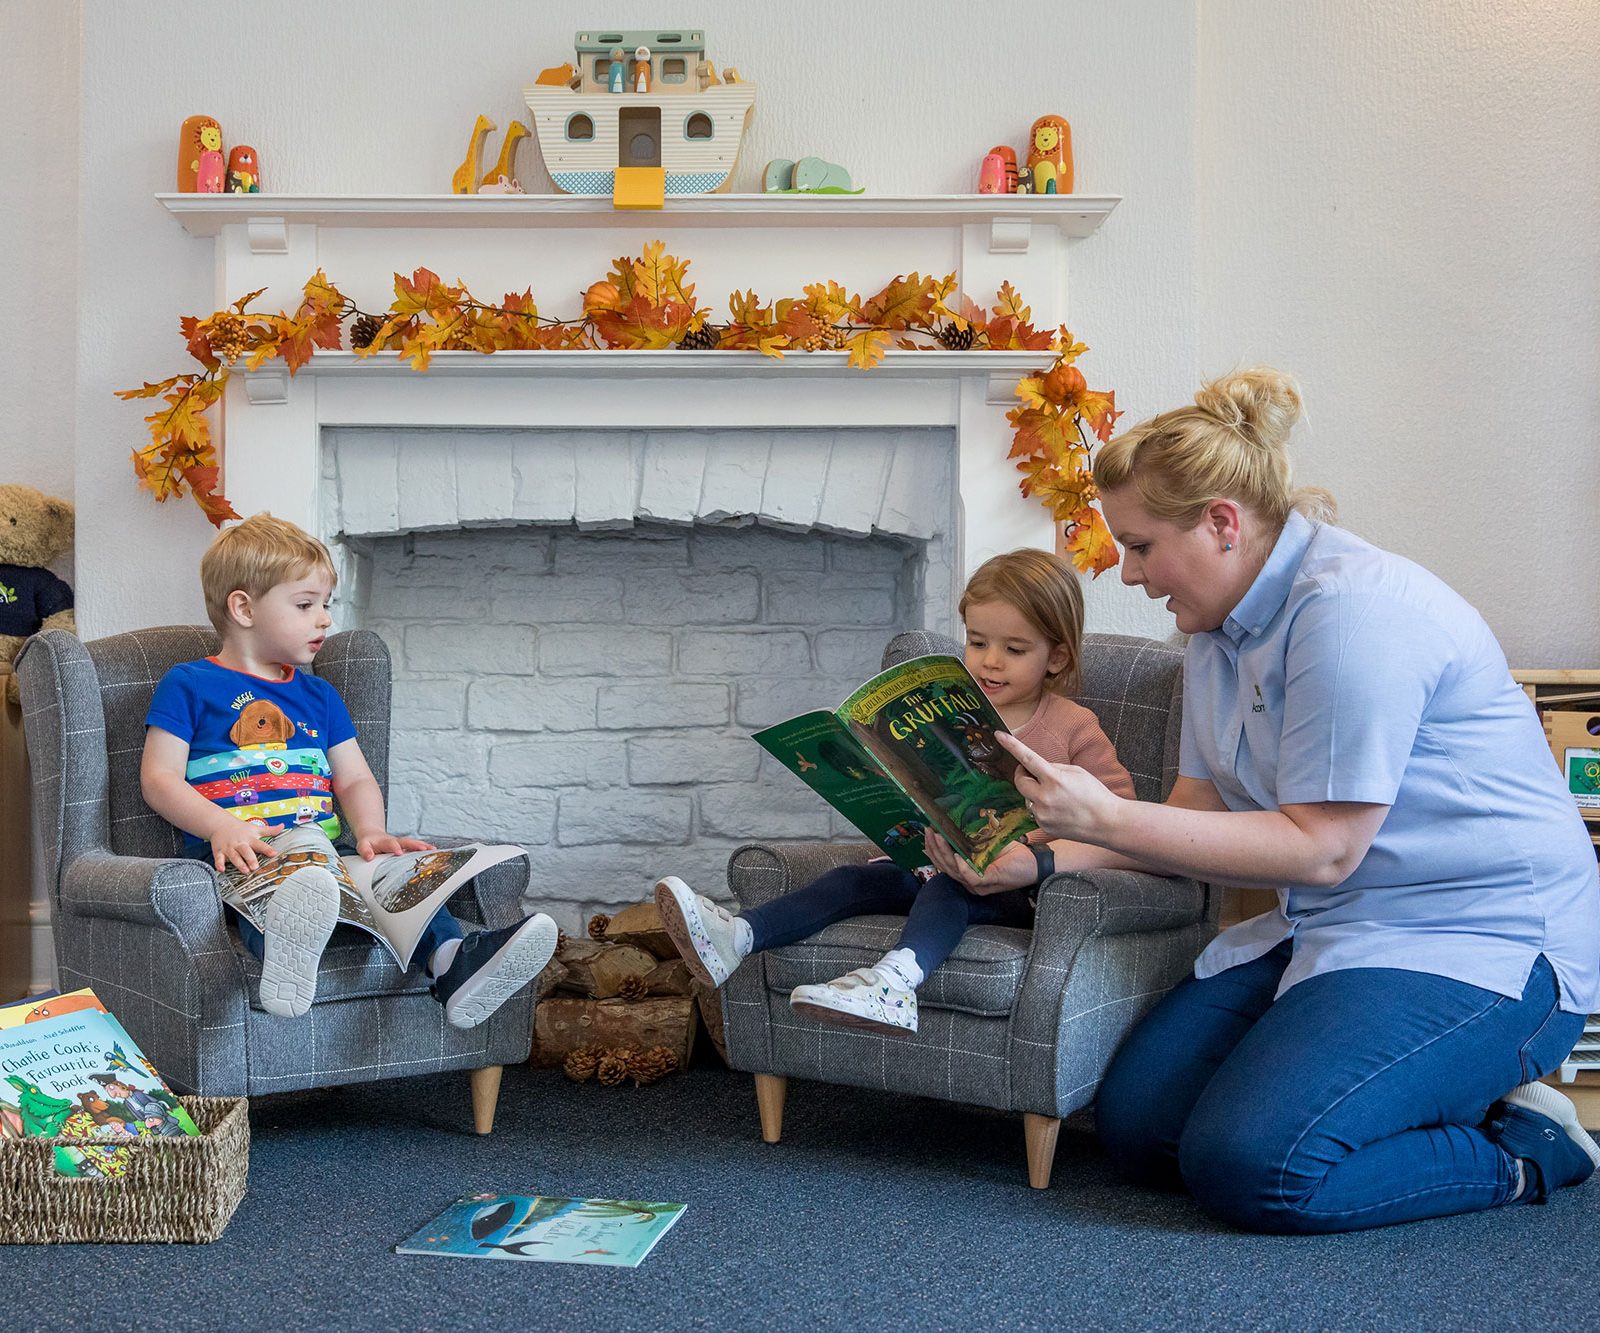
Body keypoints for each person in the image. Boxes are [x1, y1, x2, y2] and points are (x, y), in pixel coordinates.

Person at [928, 367, 1600, 1233]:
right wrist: (1043, 856)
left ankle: (1529, 1152)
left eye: (1139, 546)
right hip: (1332, 925)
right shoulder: (1215, 628)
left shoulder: (1355, 615)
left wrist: (1105, 814)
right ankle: (1409, 1095)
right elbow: (1195, 813)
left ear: (1221, 522)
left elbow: (1324, 848)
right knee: (1137, 1130)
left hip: (1477, 939)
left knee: (1256, 1167)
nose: (1127, 575)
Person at [653, 548, 1135, 1035]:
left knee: (953, 886)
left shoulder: (1074, 726)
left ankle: (892, 984)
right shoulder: (944, 713)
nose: (990, 662)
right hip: (935, 863)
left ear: (1056, 656)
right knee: (852, 880)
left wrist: (1034, 850)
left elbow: (1124, 824)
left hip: (1022, 891)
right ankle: (737, 936)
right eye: (977, 642)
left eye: (1014, 649)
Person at [139, 513, 557, 1025]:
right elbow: (159, 779)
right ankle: (283, 955)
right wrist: (221, 826)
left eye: (326, 605)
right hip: (249, 850)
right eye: (305, 605)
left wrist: (373, 832)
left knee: (397, 877)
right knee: (284, 880)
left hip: (329, 847)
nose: (324, 620)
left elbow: (354, 777)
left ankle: (455, 965)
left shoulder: (319, 695)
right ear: (243, 608)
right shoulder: (190, 684)